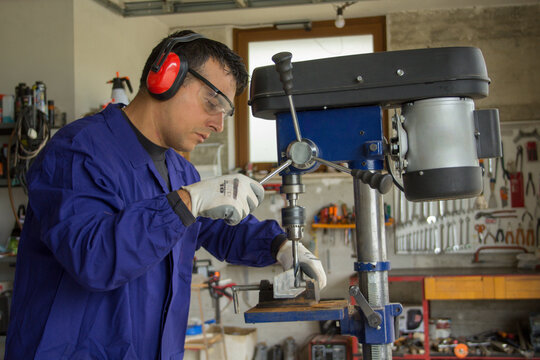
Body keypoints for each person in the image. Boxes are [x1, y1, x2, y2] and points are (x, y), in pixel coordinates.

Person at [5, 30, 326, 359]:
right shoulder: (78, 152)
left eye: (226, 113)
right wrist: (188, 202)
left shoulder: (180, 170)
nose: (218, 124)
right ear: (166, 77)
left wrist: (279, 245)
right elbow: (94, 258)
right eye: (213, 103)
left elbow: (215, 228)